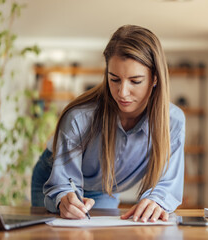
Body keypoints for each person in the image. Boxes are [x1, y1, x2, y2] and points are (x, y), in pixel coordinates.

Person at [31, 25, 185, 222]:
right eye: (114, 79)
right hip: (54, 178)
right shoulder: (79, 117)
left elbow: (167, 186)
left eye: (135, 81)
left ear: (155, 78)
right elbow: (61, 183)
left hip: (105, 189)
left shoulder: (173, 122)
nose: (122, 92)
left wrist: (157, 201)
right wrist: (63, 198)